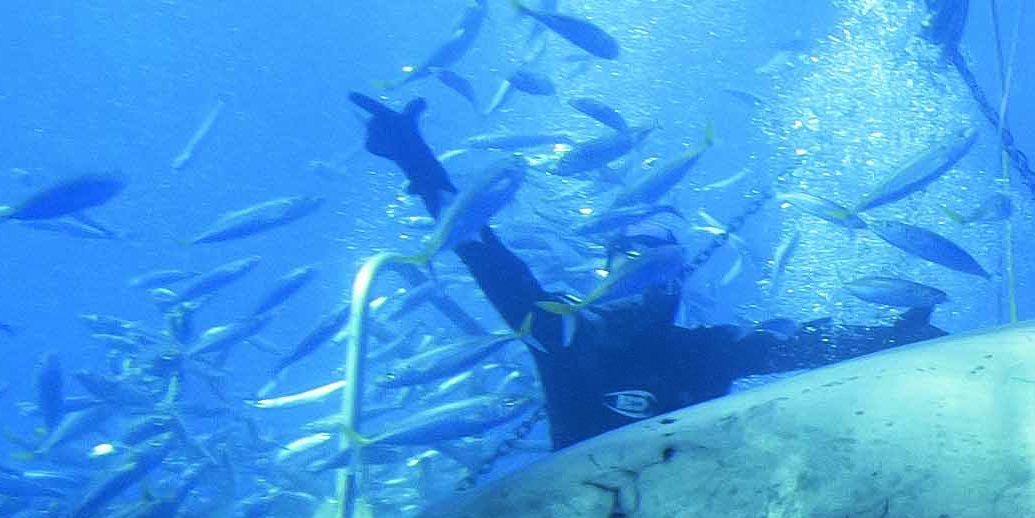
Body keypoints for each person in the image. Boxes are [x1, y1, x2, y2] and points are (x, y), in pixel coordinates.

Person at [346, 91, 932, 450]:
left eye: (663, 257)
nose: (649, 268)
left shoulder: (707, 350)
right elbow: (482, 249)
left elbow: (803, 347)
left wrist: (894, 336)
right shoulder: (563, 330)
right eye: (632, 253)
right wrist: (415, 159)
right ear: (606, 267)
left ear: (678, 279)